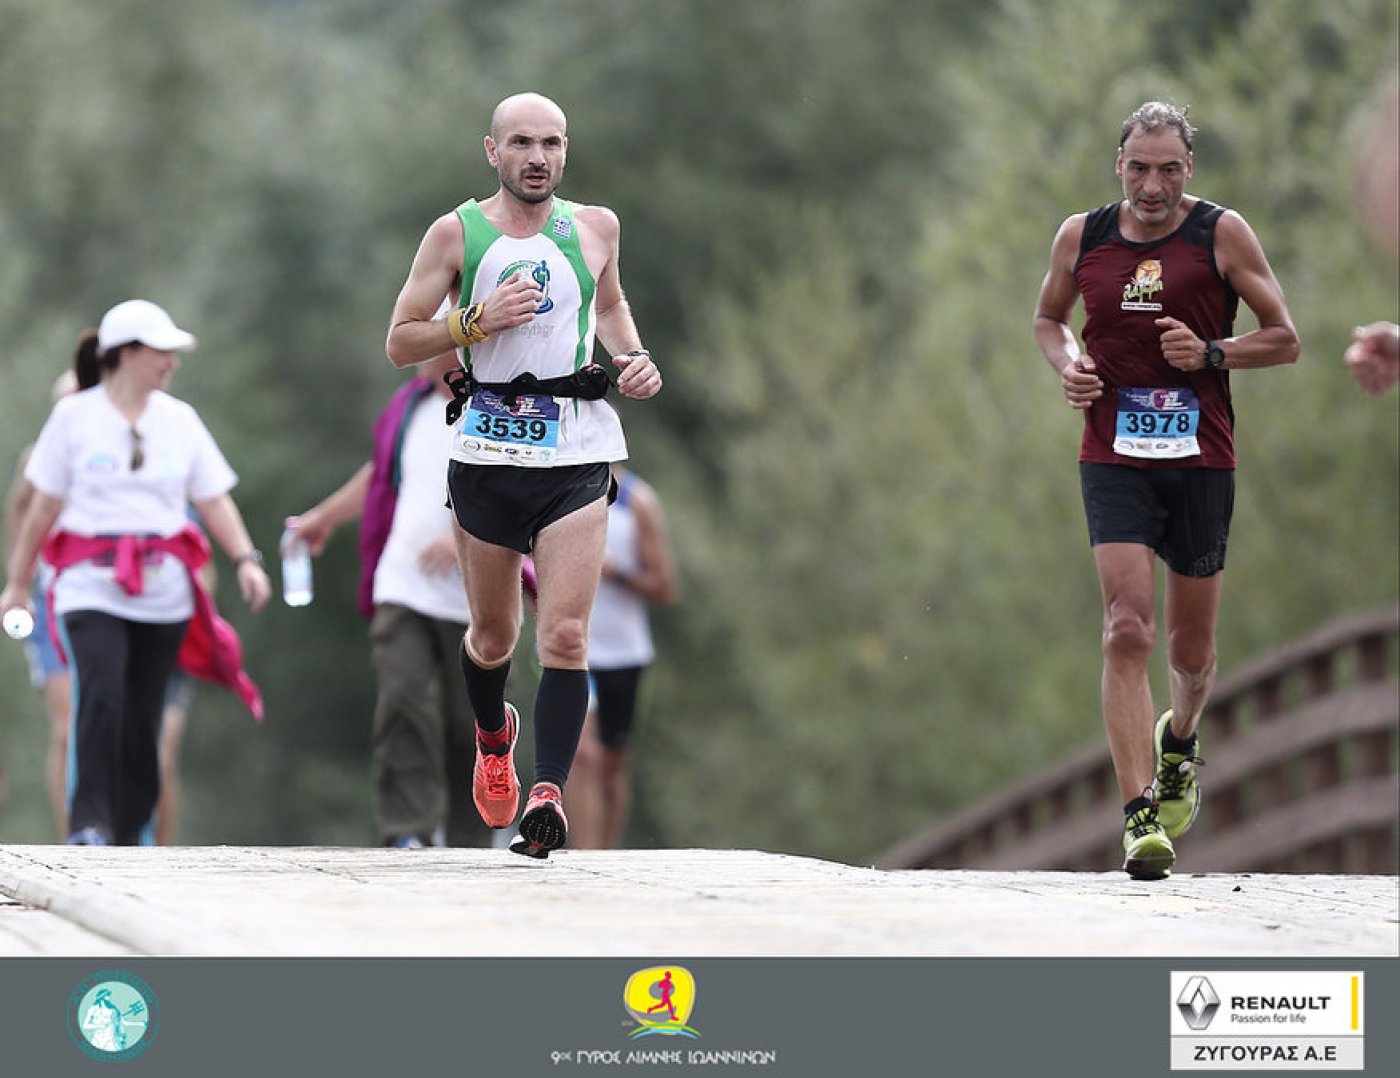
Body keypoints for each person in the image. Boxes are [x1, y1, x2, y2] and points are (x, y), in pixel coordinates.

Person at [385, 92, 662, 859]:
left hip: (576, 448)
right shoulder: (456, 233)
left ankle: (546, 796)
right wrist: (476, 321)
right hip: (486, 452)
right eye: (521, 143)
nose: (538, 158)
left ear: (565, 150)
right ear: (493, 151)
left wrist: (633, 357)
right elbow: (401, 341)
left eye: (551, 143)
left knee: (566, 634)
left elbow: (611, 306)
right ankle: (493, 736)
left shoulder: (596, 227)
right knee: (494, 634)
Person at [1032, 102, 1300, 880]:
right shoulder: (1082, 236)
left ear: (1190, 170)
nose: (1153, 186)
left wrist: (1213, 352)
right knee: (1125, 628)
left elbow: (1285, 338)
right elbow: (1049, 320)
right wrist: (1070, 366)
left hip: (1200, 460)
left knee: (1191, 651)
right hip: (1113, 455)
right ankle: (1139, 816)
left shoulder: (1221, 234)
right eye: (1140, 168)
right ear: (1118, 165)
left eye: (1170, 170)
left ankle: (1178, 739)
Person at [0, 300, 271, 846]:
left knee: (145, 713)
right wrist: (18, 582)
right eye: (161, 352)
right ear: (125, 355)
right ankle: (89, 823)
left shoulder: (180, 420)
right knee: (100, 694)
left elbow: (213, 499)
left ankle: (128, 834)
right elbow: (40, 508)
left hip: (163, 592)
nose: (172, 363)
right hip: (88, 587)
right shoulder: (73, 418)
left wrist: (246, 559)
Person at [290, 350, 492, 849]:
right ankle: (408, 831)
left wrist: (461, 536)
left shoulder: (497, 409)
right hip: (402, 585)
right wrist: (323, 518)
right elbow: (380, 473)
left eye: (431, 340)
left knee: (470, 721)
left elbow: (522, 490)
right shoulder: (409, 408)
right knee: (402, 700)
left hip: (476, 599)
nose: (417, 352)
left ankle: (471, 840)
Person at [567, 466, 678, 849]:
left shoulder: (638, 502)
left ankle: (605, 855)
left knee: (612, 772)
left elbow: (665, 588)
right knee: (582, 754)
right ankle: (584, 857)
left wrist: (616, 573)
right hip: (574, 650)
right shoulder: (559, 492)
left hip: (626, 654)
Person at [4, 370, 79, 835]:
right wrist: (22, 574)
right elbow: (18, 507)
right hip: (50, 600)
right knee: (67, 726)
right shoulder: (38, 458)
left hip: (106, 598)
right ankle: (74, 834)